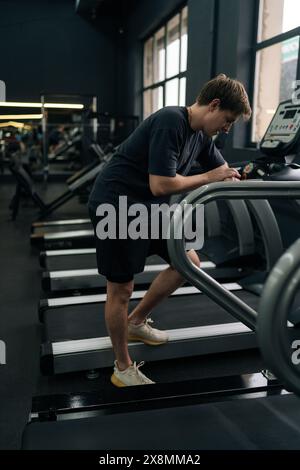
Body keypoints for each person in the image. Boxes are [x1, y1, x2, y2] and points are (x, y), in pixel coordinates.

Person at [88, 74, 252, 387]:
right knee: (121, 290)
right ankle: (122, 368)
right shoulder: (171, 121)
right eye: (228, 120)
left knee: (188, 262)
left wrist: (240, 177)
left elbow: (223, 171)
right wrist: (210, 177)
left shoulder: (202, 137)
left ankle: (135, 322)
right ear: (214, 105)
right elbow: (161, 184)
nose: (227, 129)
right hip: (115, 205)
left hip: (145, 207)